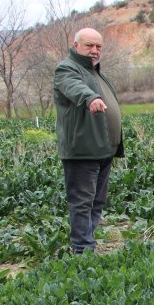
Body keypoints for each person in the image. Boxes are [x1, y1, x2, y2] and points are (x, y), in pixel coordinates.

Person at [53, 28, 124, 254]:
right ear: (76, 46)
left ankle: (88, 242)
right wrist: (90, 97)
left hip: (103, 149)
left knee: (97, 202)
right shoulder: (67, 69)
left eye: (98, 47)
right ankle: (82, 249)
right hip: (83, 149)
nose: (94, 51)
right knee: (82, 202)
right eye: (89, 46)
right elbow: (74, 88)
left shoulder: (95, 71)